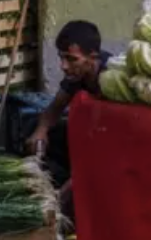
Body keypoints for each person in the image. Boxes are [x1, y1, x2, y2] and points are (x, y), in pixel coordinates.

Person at [24, 20, 108, 157]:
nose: (64, 66)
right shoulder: (76, 75)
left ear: (92, 57)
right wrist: (41, 131)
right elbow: (55, 108)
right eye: (61, 58)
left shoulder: (110, 78)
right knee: (36, 126)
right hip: (91, 132)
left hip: (109, 139)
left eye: (72, 59)